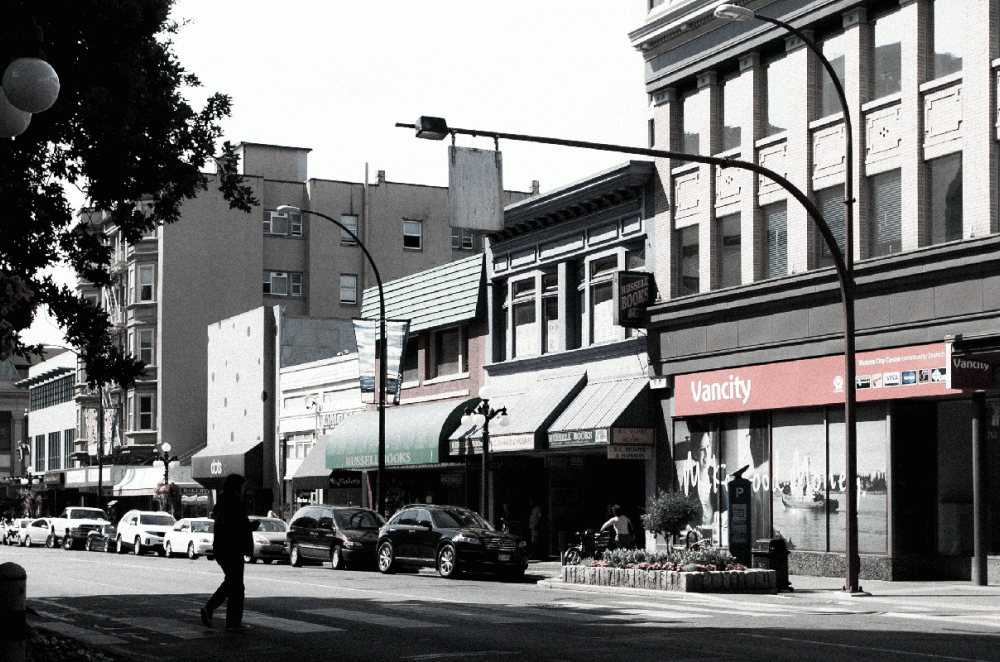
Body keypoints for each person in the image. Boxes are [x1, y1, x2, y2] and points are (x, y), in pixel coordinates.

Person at [201, 474, 259, 633]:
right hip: (231, 548)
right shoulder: (233, 503)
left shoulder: (222, 502)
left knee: (234, 583)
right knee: (236, 585)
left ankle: (227, 619)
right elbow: (236, 527)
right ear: (236, 487)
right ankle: (220, 614)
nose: (244, 490)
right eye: (242, 487)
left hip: (222, 547)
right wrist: (252, 526)